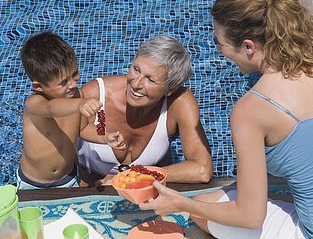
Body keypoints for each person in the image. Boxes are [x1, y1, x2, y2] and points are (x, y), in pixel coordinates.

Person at [140, 0, 313, 239]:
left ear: (248, 46)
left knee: (204, 208)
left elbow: (250, 217)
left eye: (220, 43)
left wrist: (181, 203)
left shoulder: (252, 110)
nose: (220, 52)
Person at [77, 35, 213, 185]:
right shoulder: (96, 96)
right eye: (136, 69)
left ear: (170, 89)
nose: (136, 84)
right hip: (90, 186)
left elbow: (202, 170)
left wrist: (132, 177)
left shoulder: (178, 103)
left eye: (150, 80)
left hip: (143, 188)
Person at [18, 31, 126, 190]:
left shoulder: (76, 96)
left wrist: (105, 139)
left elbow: (82, 128)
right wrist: (79, 105)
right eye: (63, 82)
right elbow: (51, 109)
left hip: (68, 177)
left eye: (74, 74)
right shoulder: (34, 104)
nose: (73, 84)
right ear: (38, 86)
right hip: (34, 183)